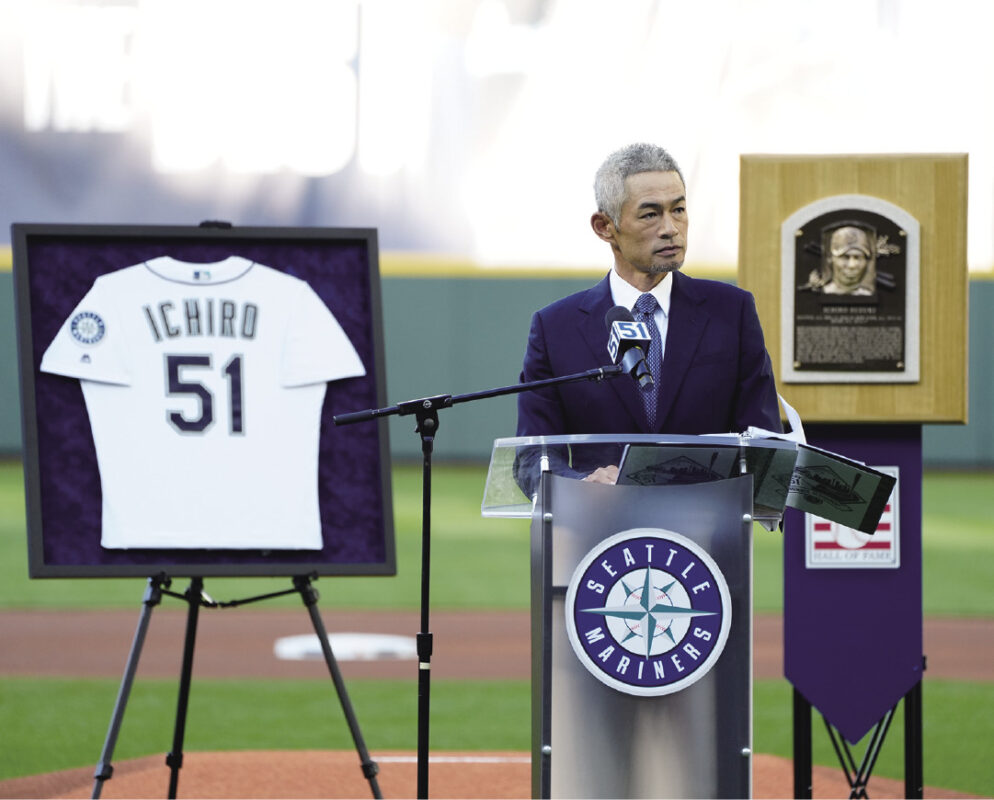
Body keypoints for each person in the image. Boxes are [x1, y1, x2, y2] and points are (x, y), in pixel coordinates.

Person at [515, 143, 781, 485]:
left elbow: (764, 442)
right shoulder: (555, 329)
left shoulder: (732, 313)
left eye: (679, 210)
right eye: (650, 214)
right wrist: (579, 485)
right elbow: (530, 457)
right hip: (599, 529)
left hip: (704, 529)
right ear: (605, 227)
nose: (670, 227)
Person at [821, 225, 876, 295]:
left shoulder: (868, 294)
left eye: (858, 257)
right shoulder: (824, 291)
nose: (852, 265)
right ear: (830, 259)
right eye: (845, 257)